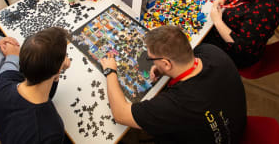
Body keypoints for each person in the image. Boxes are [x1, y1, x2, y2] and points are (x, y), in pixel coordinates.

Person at [100, 25, 247, 143]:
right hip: (234, 124)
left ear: (166, 63)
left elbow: (120, 114)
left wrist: (110, 71)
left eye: (151, 58)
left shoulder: (178, 103)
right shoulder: (211, 51)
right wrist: (163, 69)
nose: (151, 61)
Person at [0, 27, 71, 144]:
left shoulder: (3, 80)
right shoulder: (51, 129)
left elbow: (45, 93)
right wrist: (56, 71)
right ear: (59, 68)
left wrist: (56, 75)